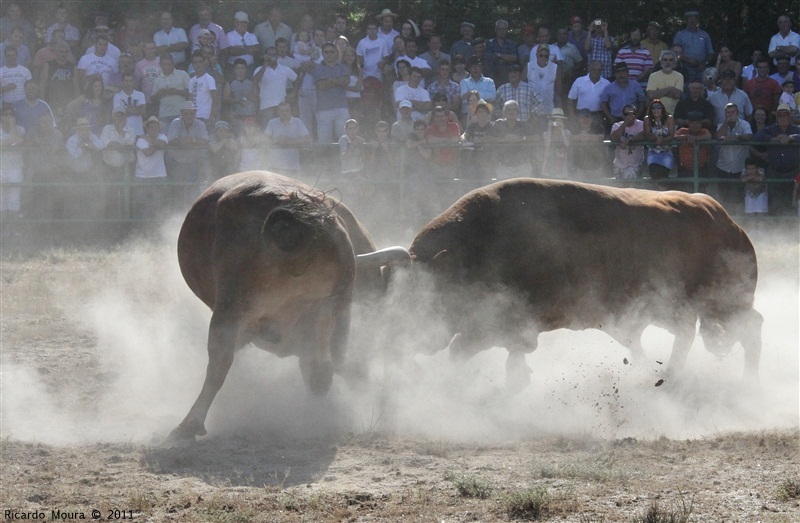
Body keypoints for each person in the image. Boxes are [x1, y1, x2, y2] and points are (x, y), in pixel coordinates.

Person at [751, 103, 800, 213]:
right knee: (775, 202)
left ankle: (791, 226)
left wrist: (791, 138)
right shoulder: (770, 129)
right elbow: (757, 136)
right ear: (776, 117)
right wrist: (773, 139)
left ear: (790, 117)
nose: (783, 118)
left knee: (792, 201)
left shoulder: (796, 129)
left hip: (793, 171)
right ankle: (775, 224)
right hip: (774, 171)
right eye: (780, 115)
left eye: (785, 115)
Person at [167, 100, 209, 206]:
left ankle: (193, 209)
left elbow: (205, 140)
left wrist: (192, 141)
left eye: (191, 113)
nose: (189, 115)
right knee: (178, 187)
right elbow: (171, 139)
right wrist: (182, 142)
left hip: (194, 160)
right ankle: (177, 210)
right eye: (186, 113)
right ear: (181, 113)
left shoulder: (200, 124)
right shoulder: (175, 122)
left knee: (193, 187)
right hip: (177, 161)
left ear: (195, 113)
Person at [24, 111, 63, 219]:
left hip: (54, 172)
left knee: (58, 199)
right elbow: (25, 146)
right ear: (39, 123)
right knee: (38, 200)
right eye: (43, 122)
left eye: (48, 121)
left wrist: (40, 142)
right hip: (38, 172)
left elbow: (52, 151)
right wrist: (32, 141)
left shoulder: (58, 134)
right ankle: (38, 228)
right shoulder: (33, 132)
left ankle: (58, 226)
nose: (46, 124)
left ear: (52, 122)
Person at [65, 117, 104, 222]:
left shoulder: (92, 136)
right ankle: (77, 223)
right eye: (82, 129)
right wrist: (83, 148)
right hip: (74, 174)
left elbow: (101, 145)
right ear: (77, 130)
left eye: (87, 128)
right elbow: (73, 155)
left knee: (90, 198)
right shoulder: (72, 140)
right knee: (76, 199)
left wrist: (87, 145)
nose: (85, 131)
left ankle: (90, 223)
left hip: (89, 173)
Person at [100, 105, 136, 218]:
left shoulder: (130, 129)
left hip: (127, 166)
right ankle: (111, 219)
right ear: (112, 117)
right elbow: (103, 142)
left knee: (127, 194)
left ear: (125, 117)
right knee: (111, 193)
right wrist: (116, 145)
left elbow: (129, 142)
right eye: (117, 115)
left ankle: (128, 220)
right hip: (110, 166)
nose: (119, 117)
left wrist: (121, 130)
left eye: (121, 115)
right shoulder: (106, 128)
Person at [715, 102, 753, 209]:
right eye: (728, 112)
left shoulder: (744, 124)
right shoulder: (721, 125)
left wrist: (735, 136)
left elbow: (748, 136)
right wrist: (726, 124)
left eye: (733, 112)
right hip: (723, 167)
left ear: (737, 113)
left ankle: (739, 217)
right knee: (724, 196)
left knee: (739, 196)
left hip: (740, 167)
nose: (730, 114)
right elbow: (718, 136)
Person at [313, 42, 350, 144]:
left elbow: (346, 81)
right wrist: (338, 81)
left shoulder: (342, 67)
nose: (329, 54)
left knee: (345, 139)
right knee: (324, 142)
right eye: (326, 52)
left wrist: (330, 80)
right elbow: (321, 85)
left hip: (341, 107)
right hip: (323, 109)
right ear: (322, 53)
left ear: (336, 53)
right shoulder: (317, 68)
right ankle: (325, 160)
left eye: (332, 52)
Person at [486, 100, 534, 179]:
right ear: (505, 112)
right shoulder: (498, 124)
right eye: (509, 109)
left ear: (517, 111)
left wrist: (521, 138)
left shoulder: (524, 124)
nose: (512, 112)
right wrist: (503, 140)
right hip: (503, 167)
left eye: (514, 109)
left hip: (523, 166)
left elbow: (537, 137)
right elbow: (486, 138)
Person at [133, 116, 168, 219]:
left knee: (158, 206)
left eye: (156, 127)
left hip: (159, 176)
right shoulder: (140, 140)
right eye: (151, 127)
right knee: (142, 206)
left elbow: (161, 144)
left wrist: (149, 139)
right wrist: (156, 143)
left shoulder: (162, 137)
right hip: (142, 177)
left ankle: (157, 230)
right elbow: (148, 152)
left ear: (159, 129)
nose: (153, 129)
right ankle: (144, 230)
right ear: (147, 129)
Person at [253, 46, 297, 125]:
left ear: (277, 56)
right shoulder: (259, 69)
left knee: (282, 132)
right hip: (266, 106)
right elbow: (255, 80)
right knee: (267, 133)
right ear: (265, 55)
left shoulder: (285, 69)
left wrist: (294, 92)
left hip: (282, 107)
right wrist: (265, 65)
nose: (272, 56)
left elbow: (297, 79)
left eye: (274, 54)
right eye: (269, 54)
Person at [264, 100, 310, 176]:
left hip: (293, 165)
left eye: (286, 110)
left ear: (290, 111)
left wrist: (289, 141)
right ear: (278, 112)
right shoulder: (272, 122)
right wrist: (276, 140)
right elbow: (265, 139)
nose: (284, 113)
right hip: (275, 166)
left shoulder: (298, 122)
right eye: (281, 111)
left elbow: (306, 138)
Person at [601, 62, 646, 128]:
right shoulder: (609, 88)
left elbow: (642, 101)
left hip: (632, 119)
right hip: (615, 119)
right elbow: (603, 103)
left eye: (623, 72)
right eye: (618, 73)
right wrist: (610, 117)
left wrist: (637, 116)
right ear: (615, 74)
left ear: (628, 73)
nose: (621, 75)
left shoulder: (635, 85)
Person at [672, 10, 714, 81]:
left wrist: (704, 63)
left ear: (697, 21)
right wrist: (688, 60)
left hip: (702, 69)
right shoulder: (680, 35)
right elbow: (675, 52)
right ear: (686, 21)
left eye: (694, 19)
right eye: (690, 19)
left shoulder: (704, 35)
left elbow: (711, 53)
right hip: (684, 69)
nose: (692, 21)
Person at [0, 104, 25, 222]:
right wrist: (10, 141)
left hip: (15, 168)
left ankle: (14, 230)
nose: (8, 117)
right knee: (1, 200)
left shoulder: (20, 129)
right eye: (5, 115)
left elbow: (17, 143)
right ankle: (4, 230)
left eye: (10, 115)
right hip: (1, 168)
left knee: (14, 199)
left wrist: (12, 126)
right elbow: (13, 141)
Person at [151, 53, 189, 128]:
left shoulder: (182, 74)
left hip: (180, 113)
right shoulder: (157, 79)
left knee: (180, 138)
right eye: (164, 64)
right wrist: (160, 93)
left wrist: (176, 91)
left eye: (168, 64)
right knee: (166, 138)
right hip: (164, 114)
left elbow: (190, 93)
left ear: (173, 64)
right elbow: (153, 99)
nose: (166, 66)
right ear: (160, 65)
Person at [674, 111, 712, 186]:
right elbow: (675, 136)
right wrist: (686, 137)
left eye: (698, 122)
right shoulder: (683, 130)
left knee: (701, 193)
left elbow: (708, 136)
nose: (695, 125)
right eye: (692, 122)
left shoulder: (704, 131)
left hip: (701, 168)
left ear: (701, 124)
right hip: (684, 168)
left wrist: (695, 138)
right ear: (688, 123)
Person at [567, 59, 610, 126]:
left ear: (602, 70)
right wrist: (572, 117)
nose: (596, 71)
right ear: (589, 68)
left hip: (598, 116)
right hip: (581, 115)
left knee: (596, 135)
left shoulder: (606, 84)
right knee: (580, 136)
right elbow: (570, 100)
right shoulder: (579, 81)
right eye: (594, 69)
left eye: (599, 70)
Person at [460, 99, 494, 179]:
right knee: (472, 182)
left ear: (487, 113)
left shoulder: (492, 126)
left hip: (488, 161)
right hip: (474, 161)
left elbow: (494, 138)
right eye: (479, 112)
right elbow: (464, 134)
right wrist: (464, 139)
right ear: (476, 114)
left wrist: (483, 140)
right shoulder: (473, 125)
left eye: (484, 111)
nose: (482, 114)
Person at [610, 103, 645, 179]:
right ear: (623, 115)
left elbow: (643, 135)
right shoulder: (616, 125)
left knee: (628, 180)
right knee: (618, 188)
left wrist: (629, 140)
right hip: (619, 164)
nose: (630, 116)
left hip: (635, 164)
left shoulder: (641, 124)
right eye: (627, 114)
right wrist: (625, 123)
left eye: (633, 114)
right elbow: (614, 138)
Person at [643, 99, 675, 179]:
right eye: (653, 108)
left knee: (664, 177)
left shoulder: (669, 119)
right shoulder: (647, 119)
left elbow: (671, 135)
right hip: (653, 152)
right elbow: (647, 135)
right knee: (654, 175)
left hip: (666, 152)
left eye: (658, 107)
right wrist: (654, 138)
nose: (656, 110)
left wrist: (663, 140)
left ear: (662, 109)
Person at [569, 108, 606, 178]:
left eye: (587, 118)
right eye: (583, 118)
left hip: (596, 164)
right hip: (579, 165)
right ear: (579, 119)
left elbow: (600, 138)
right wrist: (580, 137)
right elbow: (570, 138)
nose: (585, 120)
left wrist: (588, 137)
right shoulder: (575, 127)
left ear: (591, 119)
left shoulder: (597, 127)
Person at [646, 49, 684, 117]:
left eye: (670, 60)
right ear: (661, 62)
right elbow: (651, 95)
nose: (668, 62)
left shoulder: (679, 76)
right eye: (665, 60)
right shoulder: (653, 76)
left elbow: (677, 95)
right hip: (656, 114)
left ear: (674, 63)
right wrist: (670, 88)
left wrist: (658, 92)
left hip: (673, 114)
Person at [222, 58, 255, 132]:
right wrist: (237, 101)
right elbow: (225, 98)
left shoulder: (252, 82)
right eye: (238, 68)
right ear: (234, 70)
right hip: (235, 115)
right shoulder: (230, 83)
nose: (240, 70)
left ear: (246, 69)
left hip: (250, 114)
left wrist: (248, 95)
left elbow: (257, 98)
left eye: (242, 68)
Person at [187, 52, 218, 124]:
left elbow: (215, 99)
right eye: (195, 62)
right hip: (193, 118)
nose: (198, 64)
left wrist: (212, 116)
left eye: (200, 62)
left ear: (204, 63)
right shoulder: (191, 80)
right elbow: (190, 99)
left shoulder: (209, 79)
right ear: (192, 64)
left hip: (205, 117)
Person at [486, 19, 518, 87]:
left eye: (504, 29)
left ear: (507, 30)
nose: (502, 31)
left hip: (508, 75)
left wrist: (499, 55)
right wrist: (506, 58)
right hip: (494, 74)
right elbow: (490, 58)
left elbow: (514, 57)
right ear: (496, 29)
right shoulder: (490, 43)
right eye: (500, 29)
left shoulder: (511, 43)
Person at [541, 108, 571, 178]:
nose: (557, 123)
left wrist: (562, 130)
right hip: (548, 166)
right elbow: (547, 144)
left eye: (560, 120)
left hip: (562, 166)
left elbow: (567, 144)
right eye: (555, 120)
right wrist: (549, 128)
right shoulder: (546, 134)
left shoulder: (567, 132)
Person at [134, 41, 162, 107]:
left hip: (160, 98)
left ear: (155, 49)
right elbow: (137, 84)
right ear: (144, 49)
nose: (150, 51)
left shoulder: (161, 62)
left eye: (152, 48)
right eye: (148, 48)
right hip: (145, 99)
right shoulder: (139, 65)